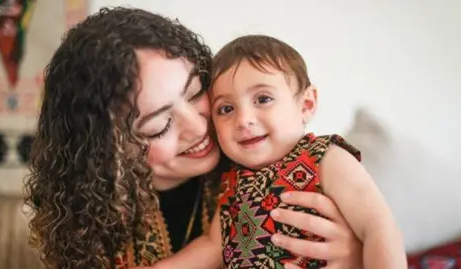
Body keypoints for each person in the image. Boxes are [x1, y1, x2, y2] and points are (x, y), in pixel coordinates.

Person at [23, 7, 364, 269]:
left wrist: (355, 254)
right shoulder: (85, 224)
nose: (200, 127)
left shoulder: (268, 157)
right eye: (159, 124)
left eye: (196, 92)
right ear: (108, 147)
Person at [148, 35, 407, 269]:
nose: (243, 119)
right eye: (227, 109)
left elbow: (378, 227)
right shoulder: (233, 180)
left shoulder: (325, 157)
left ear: (306, 104)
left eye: (263, 99)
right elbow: (212, 247)